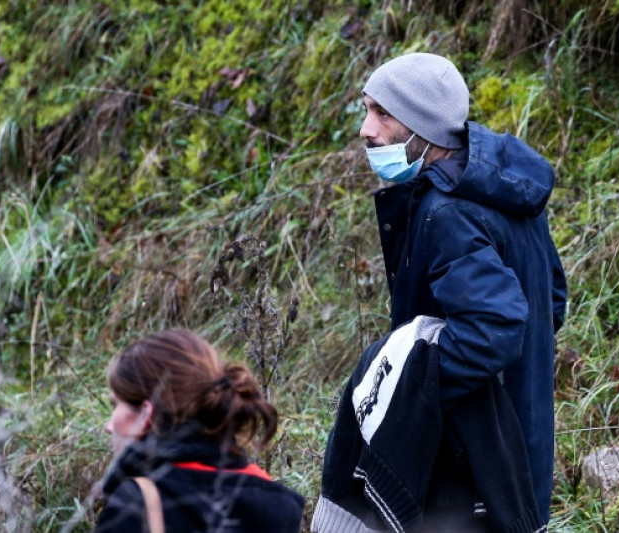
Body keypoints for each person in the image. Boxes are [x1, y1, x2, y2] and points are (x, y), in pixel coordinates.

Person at [313, 53, 567, 532]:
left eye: (382, 113)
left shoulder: (446, 213)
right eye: (366, 110)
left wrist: (411, 383)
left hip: (471, 467)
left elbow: (494, 327)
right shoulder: (504, 189)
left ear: (423, 126)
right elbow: (550, 301)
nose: (366, 129)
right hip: (519, 442)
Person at [93, 329, 305, 532]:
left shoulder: (137, 504)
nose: (109, 426)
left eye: (115, 405)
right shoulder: (277, 501)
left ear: (145, 415)